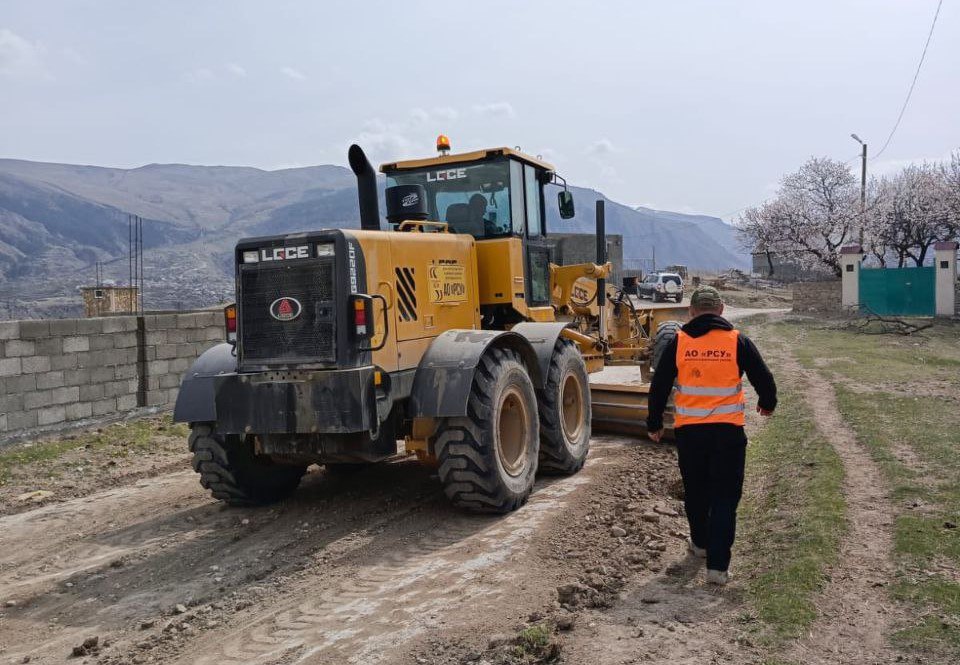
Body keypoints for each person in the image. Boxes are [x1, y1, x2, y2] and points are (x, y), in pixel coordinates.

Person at [646, 286, 776, 585]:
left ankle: (700, 544)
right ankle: (717, 568)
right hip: (728, 435)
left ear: (691, 312)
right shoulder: (737, 341)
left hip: (690, 435)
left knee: (696, 491)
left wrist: (654, 424)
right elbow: (764, 379)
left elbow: (660, 386)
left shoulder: (678, 343)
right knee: (725, 498)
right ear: (721, 309)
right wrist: (767, 404)